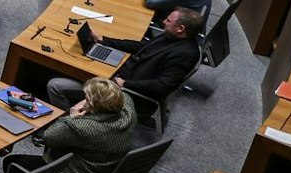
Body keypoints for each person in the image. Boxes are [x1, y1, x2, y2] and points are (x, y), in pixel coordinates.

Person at [44, 8, 204, 110]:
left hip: (126, 93)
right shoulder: (171, 36)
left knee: (55, 85)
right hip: (119, 75)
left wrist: (124, 84)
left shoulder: (185, 54)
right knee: (78, 62)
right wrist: (102, 40)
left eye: (168, 21)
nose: (163, 22)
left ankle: (64, 124)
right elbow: (140, 46)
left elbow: (162, 86)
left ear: (181, 28)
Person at [0, 76, 135, 173]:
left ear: (93, 106)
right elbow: (123, 93)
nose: (83, 99)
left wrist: (72, 116)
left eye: (86, 98)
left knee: (12, 164)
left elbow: (48, 137)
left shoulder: (82, 127)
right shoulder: (129, 113)